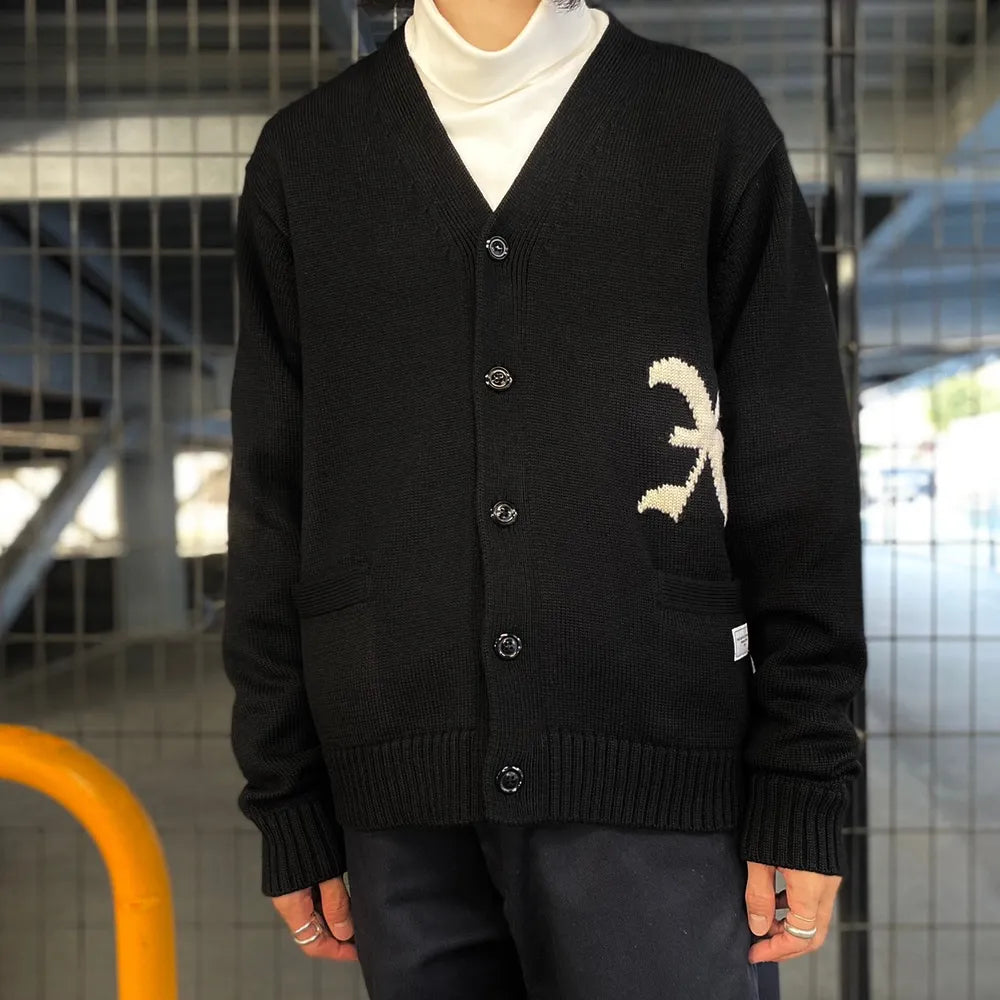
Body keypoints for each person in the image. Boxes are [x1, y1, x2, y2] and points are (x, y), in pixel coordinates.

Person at [221, 0, 868, 997]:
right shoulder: (308, 158)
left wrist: (804, 774)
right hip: (397, 793)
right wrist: (286, 790)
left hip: (660, 776)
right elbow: (272, 499)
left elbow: (797, 479)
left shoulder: (702, 123)